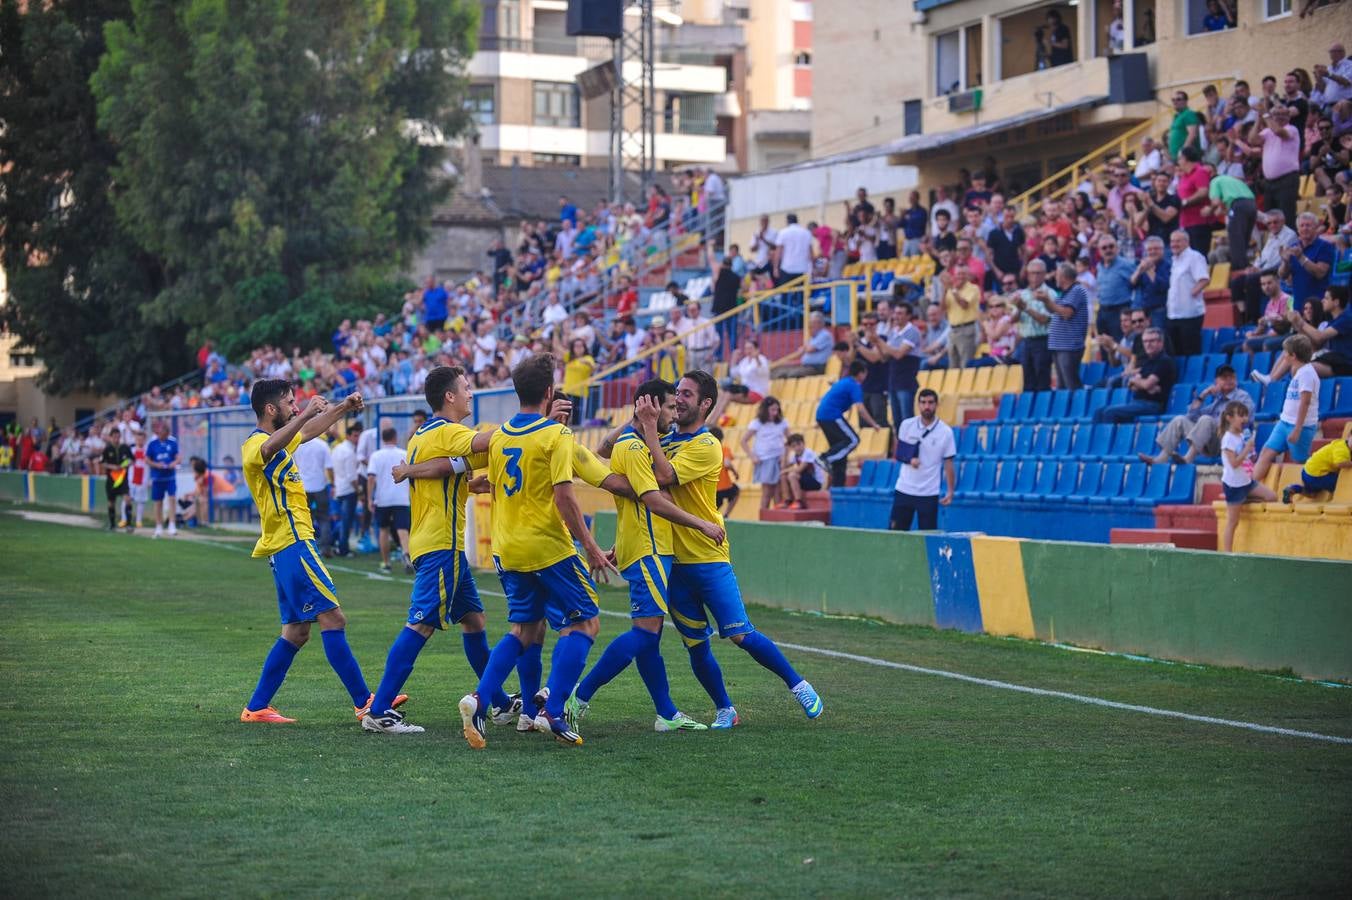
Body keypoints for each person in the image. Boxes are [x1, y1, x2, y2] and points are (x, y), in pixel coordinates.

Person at [457, 354, 617, 749]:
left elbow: (491, 484)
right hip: (547, 545)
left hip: (507, 547)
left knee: (523, 630)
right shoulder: (557, 436)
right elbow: (564, 496)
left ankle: (479, 699)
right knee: (586, 622)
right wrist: (592, 547)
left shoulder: (499, 435)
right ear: (550, 392)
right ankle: (552, 709)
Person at [655, 370, 823, 727]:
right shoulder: (663, 439)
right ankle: (725, 709)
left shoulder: (706, 444)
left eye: (686, 394)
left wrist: (646, 439)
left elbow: (663, 477)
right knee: (695, 645)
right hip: (674, 561)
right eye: (677, 392)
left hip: (708, 556)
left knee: (740, 634)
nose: (678, 399)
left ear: (705, 404)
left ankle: (799, 685)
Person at [357, 367, 513, 734]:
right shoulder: (448, 432)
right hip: (442, 544)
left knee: (474, 621)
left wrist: (472, 485)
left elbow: (449, 468)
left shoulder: (422, 435)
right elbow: (485, 444)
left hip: (436, 544)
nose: (471, 394)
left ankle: (502, 703)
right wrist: (529, 425)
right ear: (450, 397)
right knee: (421, 624)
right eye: (467, 388)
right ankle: (378, 711)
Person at [568, 381, 726, 733]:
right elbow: (653, 501)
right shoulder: (637, 448)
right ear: (653, 409)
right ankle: (577, 696)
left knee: (650, 638)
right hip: (650, 549)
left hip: (642, 547)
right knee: (644, 633)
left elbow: (603, 448)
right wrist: (703, 524)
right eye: (669, 406)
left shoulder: (629, 442)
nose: (675, 412)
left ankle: (666, 713)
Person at [238, 382, 381, 725]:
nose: (295, 408)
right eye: (289, 404)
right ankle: (365, 702)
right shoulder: (254, 445)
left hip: (289, 545)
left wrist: (341, 408)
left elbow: (306, 432)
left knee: (296, 632)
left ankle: (257, 707)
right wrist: (303, 419)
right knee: (333, 619)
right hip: (293, 542)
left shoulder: (284, 439)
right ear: (271, 410)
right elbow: (274, 443)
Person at [1139, 365, 1252, 465]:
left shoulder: (1242, 397)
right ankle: (1161, 459)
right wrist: (1203, 395)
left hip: (1228, 444)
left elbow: (1247, 421)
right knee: (1180, 420)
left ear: (1236, 379)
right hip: (1209, 443)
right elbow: (1191, 416)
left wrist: (1217, 424)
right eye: (1224, 377)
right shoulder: (1218, 400)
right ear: (1216, 382)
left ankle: (1188, 459)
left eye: (1231, 377)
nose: (1228, 380)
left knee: (1206, 420)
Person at [1252, 335, 1321, 486]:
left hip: (1300, 426)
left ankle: (1308, 490)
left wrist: (1297, 429)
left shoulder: (1308, 373)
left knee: (1299, 462)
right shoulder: (1298, 369)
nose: (1283, 355)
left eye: (1285, 352)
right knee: (1266, 452)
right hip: (1284, 422)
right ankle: (1250, 488)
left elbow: (1305, 402)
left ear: (1293, 356)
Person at [889, 389, 956, 532]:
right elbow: (900, 453)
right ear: (918, 405)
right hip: (904, 488)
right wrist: (909, 460)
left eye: (930, 402)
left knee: (928, 536)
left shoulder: (946, 432)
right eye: (923, 402)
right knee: (895, 534)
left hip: (928, 492)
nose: (927, 406)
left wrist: (950, 491)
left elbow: (949, 462)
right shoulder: (906, 425)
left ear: (937, 405)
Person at [1218, 401, 1276, 553]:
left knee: (1271, 496)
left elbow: (1248, 460)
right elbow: (1234, 463)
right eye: (1240, 415)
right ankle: (1227, 553)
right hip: (1233, 485)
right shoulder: (1228, 438)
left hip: (1246, 482)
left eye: (1245, 415)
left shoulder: (1243, 435)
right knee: (1233, 521)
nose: (1244, 419)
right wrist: (1246, 449)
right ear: (1230, 418)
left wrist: (1252, 453)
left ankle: (1244, 500)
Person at [814, 359, 880, 488]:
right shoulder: (854, 385)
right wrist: (874, 424)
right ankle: (824, 458)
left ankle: (838, 485)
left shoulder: (844, 382)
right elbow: (861, 409)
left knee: (841, 449)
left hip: (823, 416)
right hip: (831, 415)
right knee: (853, 440)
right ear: (861, 373)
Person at [1094, 328, 1176, 423]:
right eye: (1145, 341)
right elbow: (1131, 385)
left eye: (1152, 341)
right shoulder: (1147, 362)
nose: (1148, 344)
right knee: (1099, 411)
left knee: (1110, 412)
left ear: (1160, 343)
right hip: (1138, 402)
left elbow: (1146, 384)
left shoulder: (1164, 361)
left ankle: (1107, 438)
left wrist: (1139, 382)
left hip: (1152, 405)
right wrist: (1140, 383)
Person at [367, 427, 412, 575]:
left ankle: (386, 563)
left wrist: (369, 498)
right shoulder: (404, 454)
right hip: (401, 497)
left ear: (383, 438)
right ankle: (406, 555)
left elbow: (371, 478)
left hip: (383, 498)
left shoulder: (376, 455)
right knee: (402, 529)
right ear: (395, 437)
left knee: (383, 530)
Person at [1166, 229, 1211, 357]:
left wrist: (1191, 293)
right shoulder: (1175, 260)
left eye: (1178, 241)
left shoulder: (1194, 257)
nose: (1174, 244)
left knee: (1191, 351)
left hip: (1190, 313)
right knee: (1176, 352)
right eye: (1172, 241)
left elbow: (1204, 279)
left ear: (1187, 242)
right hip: (1174, 315)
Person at [1047, 263, 1091, 391]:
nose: (1055, 278)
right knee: (1061, 385)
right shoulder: (1063, 293)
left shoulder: (1077, 290)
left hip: (1069, 345)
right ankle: (1065, 410)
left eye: (1057, 275)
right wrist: (1044, 300)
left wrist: (1048, 301)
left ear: (1063, 277)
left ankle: (1078, 408)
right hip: (1058, 344)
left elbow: (1067, 313)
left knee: (1071, 384)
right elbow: (1052, 310)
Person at [742, 396, 790, 511]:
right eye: (772, 410)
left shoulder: (782, 422)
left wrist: (785, 457)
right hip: (765, 459)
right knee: (767, 492)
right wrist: (752, 456)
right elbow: (743, 441)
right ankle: (764, 517)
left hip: (779, 458)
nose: (775, 413)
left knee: (779, 492)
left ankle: (778, 518)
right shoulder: (757, 423)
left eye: (777, 410)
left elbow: (789, 441)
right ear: (765, 409)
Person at [1283, 433, 1352, 504]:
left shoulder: (1339, 443)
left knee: (1311, 494)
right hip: (1318, 475)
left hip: (1307, 471)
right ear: (1349, 436)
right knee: (1339, 483)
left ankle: (1293, 488)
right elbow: (1340, 463)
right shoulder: (1342, 449)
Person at [294, 435, 334, 557]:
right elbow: (329, 467)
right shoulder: (322, 445)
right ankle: (325, 548)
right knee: (324, 518)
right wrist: (333, 483)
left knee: (305, 519)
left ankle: (306, 547)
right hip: (320, 485)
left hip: (303, 486)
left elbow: (294, 464)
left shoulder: (298, 445)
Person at [885, 302, 924, 426]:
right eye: (895, 313)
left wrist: (879, 342)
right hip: (894, 380)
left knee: (907, 419)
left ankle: (911, 445)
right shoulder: (893, 332)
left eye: (900, 313)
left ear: (908, 316)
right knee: (897, 420)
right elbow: (886, 355)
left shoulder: (912, 331)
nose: (896, 316)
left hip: (906, 381)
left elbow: (898, 354)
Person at [941, 264, 981, 368]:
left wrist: (953, 290)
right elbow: (942, 308)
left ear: (968, 276)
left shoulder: (973, 288)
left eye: (963, 274)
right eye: (958, 274)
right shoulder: (950, 290)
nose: (960, 277)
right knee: (953, 365)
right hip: (952, 330)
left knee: (966, 365)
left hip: (966, 329)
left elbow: (964, 305)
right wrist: (945, 290)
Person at [330, 422, 361, 556]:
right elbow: (351, 476)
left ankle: (332, 542)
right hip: (348, 489)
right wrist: (358, 490)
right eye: (355, 436)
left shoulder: (338, 448)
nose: (357, 439)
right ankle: (343, 549)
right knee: (346, 521)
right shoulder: (349, 452)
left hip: (339, 487)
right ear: (348, 436)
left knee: (342, 520)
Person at [146, 419, 180, 538]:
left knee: (172, 499)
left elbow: (178, 457)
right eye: (159, 431)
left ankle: (172, 524)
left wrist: (173, 463)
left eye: (163, 431)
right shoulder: (152, 444)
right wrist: (156, 465)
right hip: (157, 477)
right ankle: (158, 526)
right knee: (158, 502)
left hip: (170, 477)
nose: (160, 433)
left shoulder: (172, 442)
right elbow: (147, 459)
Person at [1131, 235, 1172, 332]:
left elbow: (1163, 287)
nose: (1153, 252)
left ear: (1162, 250)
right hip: (1144, 311)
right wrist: (1139, 270)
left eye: (1156, 249)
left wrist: (1150, 271)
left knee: (1158, 338)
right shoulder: (1143, 264)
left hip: (1161, 310)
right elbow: (1132, 284)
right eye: (1150, 249)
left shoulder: (1168, 266)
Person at [779, 433, 827, 510]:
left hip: (816, 482)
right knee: (783, 476)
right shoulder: (795, 455)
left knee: (792, 475)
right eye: (794, 446)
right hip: (806, 479)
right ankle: (787, 500)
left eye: (799, 444)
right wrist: (785, 452)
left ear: (803, 444)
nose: (797, 448)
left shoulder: (808, 453)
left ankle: (799, 501)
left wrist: (784, 471)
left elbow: (799, 469)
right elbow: (783, 467)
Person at [100, 427, 133, 530]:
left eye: (118, 437)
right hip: (111, 479)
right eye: (114, 437)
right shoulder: (107, 449)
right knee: (111, 502)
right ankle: (112, 524)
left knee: (127, 499)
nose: (116, 439)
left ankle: (128, 524)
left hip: (123, 478)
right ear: (110, 437)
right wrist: (112, 467)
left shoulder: (125, 448)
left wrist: (124, 464)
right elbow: (103, 463)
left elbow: (132, 460)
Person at [709, 424, 740, 517]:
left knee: (716, 505)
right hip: (724, 485)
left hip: (712, 486)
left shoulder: (708, 451)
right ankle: (726, 514)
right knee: (736, 492)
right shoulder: (724, 449)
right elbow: (727, 463)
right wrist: (735, 472)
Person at [127, 426, 149, 531]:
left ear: (144, 439)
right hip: (131, 478)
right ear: (135, 439)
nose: (140, 441)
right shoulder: (131, 450)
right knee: (128, 499)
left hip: (143, 479)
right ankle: (125, 519)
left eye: (142, 439)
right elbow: (125, 463)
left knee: (141, 501)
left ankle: (139, 521)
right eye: (138, 439)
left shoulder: (148, 451)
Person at [1169, 90, 1202, 160]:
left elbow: (1192, 134)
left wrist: (1182, 152)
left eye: (1178, 99)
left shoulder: (1188, 114)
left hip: (1187, 159)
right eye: (1173, 100)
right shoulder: (1177, 116)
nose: (1175, 102)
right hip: (1178, 160)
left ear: (1186, 101)